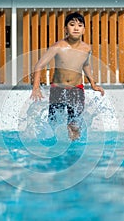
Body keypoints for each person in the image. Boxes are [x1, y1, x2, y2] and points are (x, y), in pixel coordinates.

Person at [30, 11, 104, 141]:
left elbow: (86, 65)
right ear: (65, 29)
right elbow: (39, 66)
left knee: (74, 124)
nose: (76, 28)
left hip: (77, 89)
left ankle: (73, 147)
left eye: (80, 25)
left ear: (84, 30)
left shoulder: (86, 48)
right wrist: (36, 87)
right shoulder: (58, 47)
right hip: (58, 89)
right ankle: (54, 145)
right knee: (53, 122)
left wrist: (93, 83)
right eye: (72, 24)